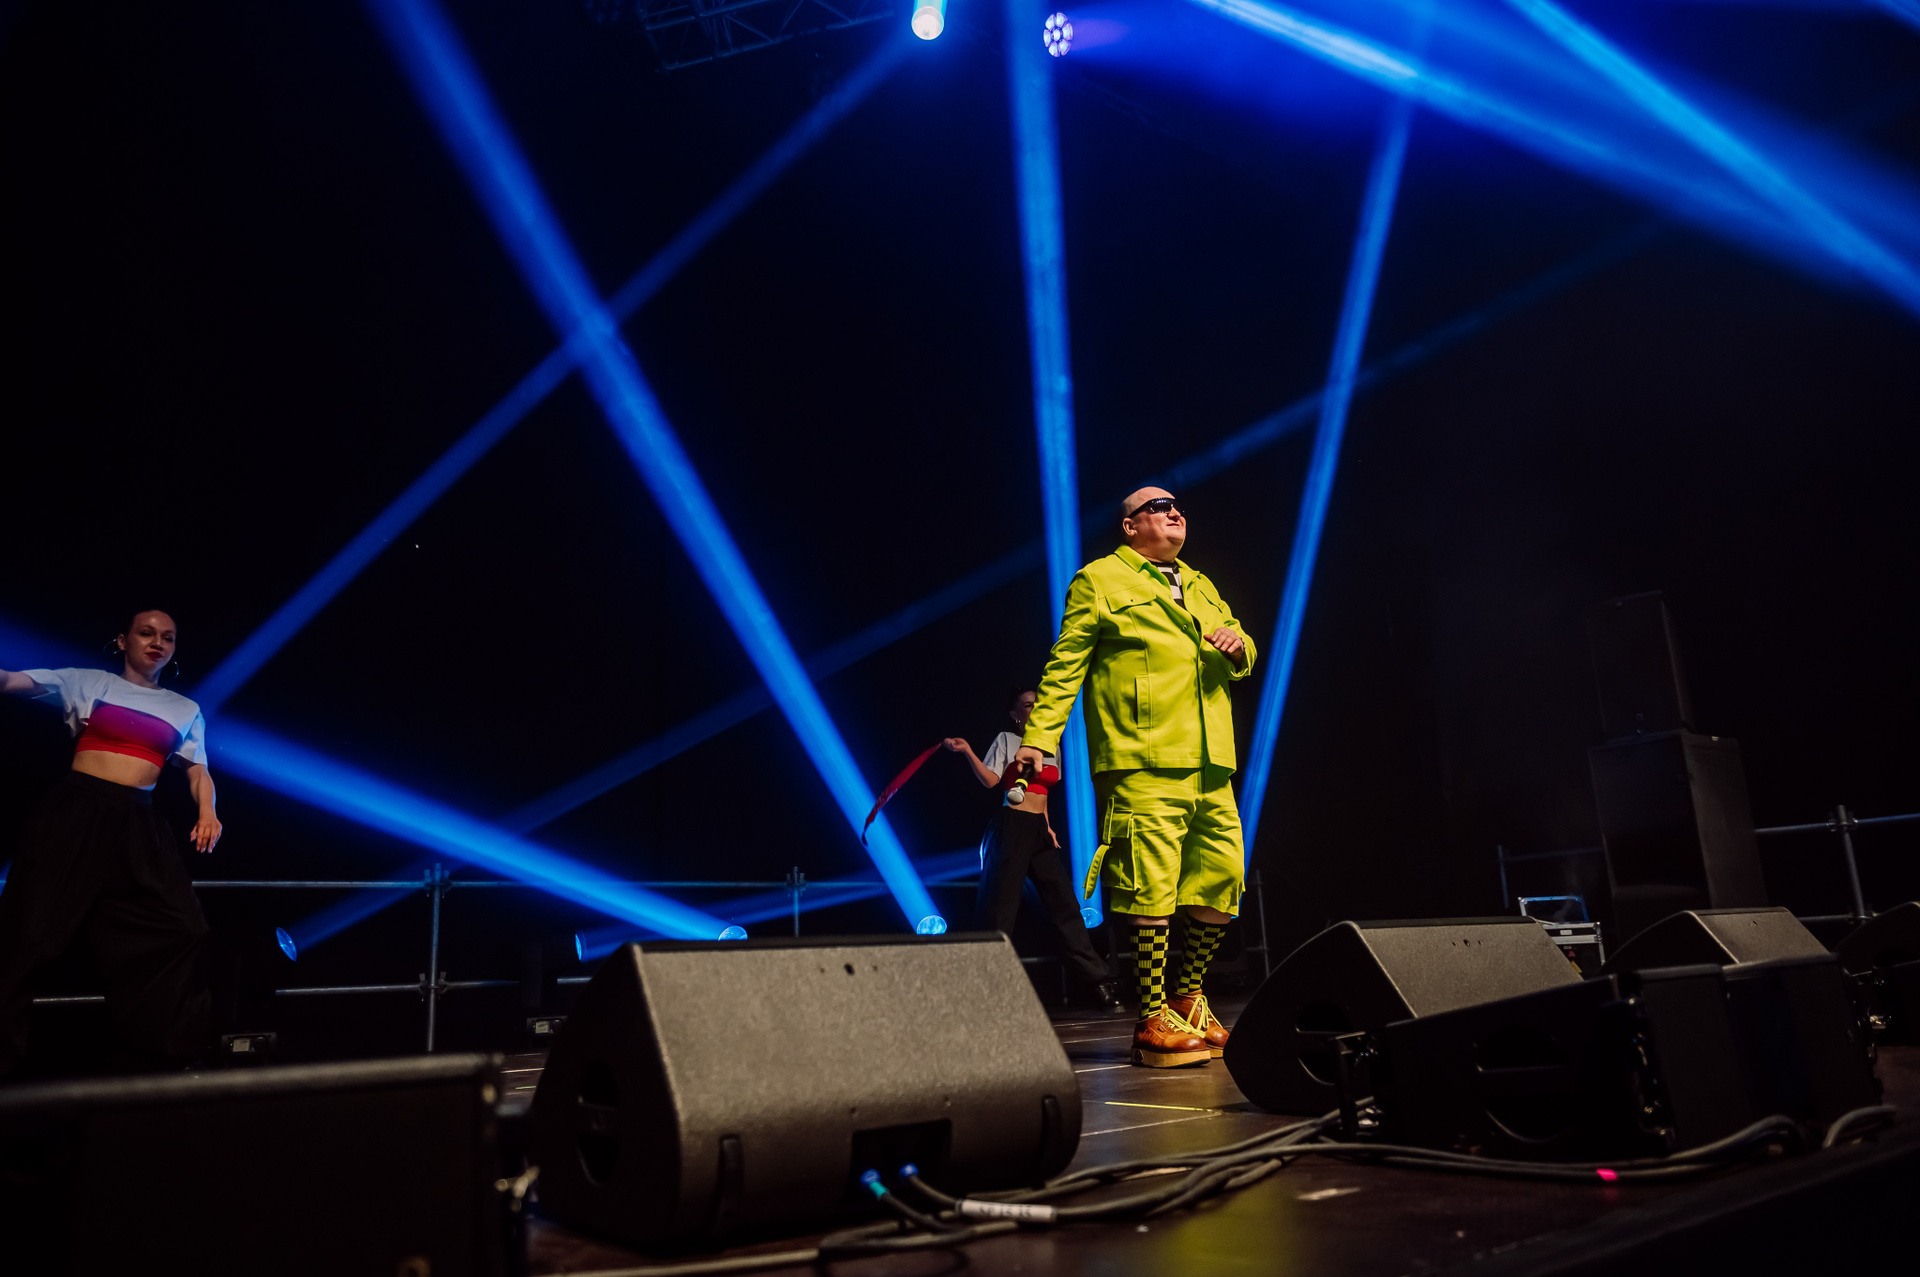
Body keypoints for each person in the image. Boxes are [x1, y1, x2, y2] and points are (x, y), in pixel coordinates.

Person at [1014, 489, 1256, 1067]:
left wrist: (1237, 646)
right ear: (1129, 526)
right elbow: (1065, 665)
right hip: (1142, 755)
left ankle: (1186, 997)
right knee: (1150, 884)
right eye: (1159, 506)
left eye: (1178, 505)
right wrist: (1039, 737)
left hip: (1210, 759)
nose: (1175, 511)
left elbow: (1242, 648)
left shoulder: (1201, 584)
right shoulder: (1098, 580)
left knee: (1223, 878)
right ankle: (1150, 1018)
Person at [0, 609, 222, 1076]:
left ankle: (158, 1059)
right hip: (76, 813)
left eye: (167, 638)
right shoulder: (88, 682)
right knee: (29, 935)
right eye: (146, 633)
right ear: (123, 641)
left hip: (138, 823)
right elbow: (10, 681)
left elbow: (198, 770)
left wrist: (208, 812)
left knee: (185, 928)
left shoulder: (184, 708)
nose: (157, 642)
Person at [944, 689, 1124, 1015]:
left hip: (1039, 830)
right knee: (999, 911)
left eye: (1038, 704)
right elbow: (990, 781)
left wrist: (1048, 827)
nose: (1035, 708)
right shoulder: (1007, 740)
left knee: (1065, 906)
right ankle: (983, 992)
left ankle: (1097, 982)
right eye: (1028, 705)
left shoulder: (1051, 745)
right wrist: (968, 750)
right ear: (1016, 715)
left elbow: (1042, 793)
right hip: (1011, 827)